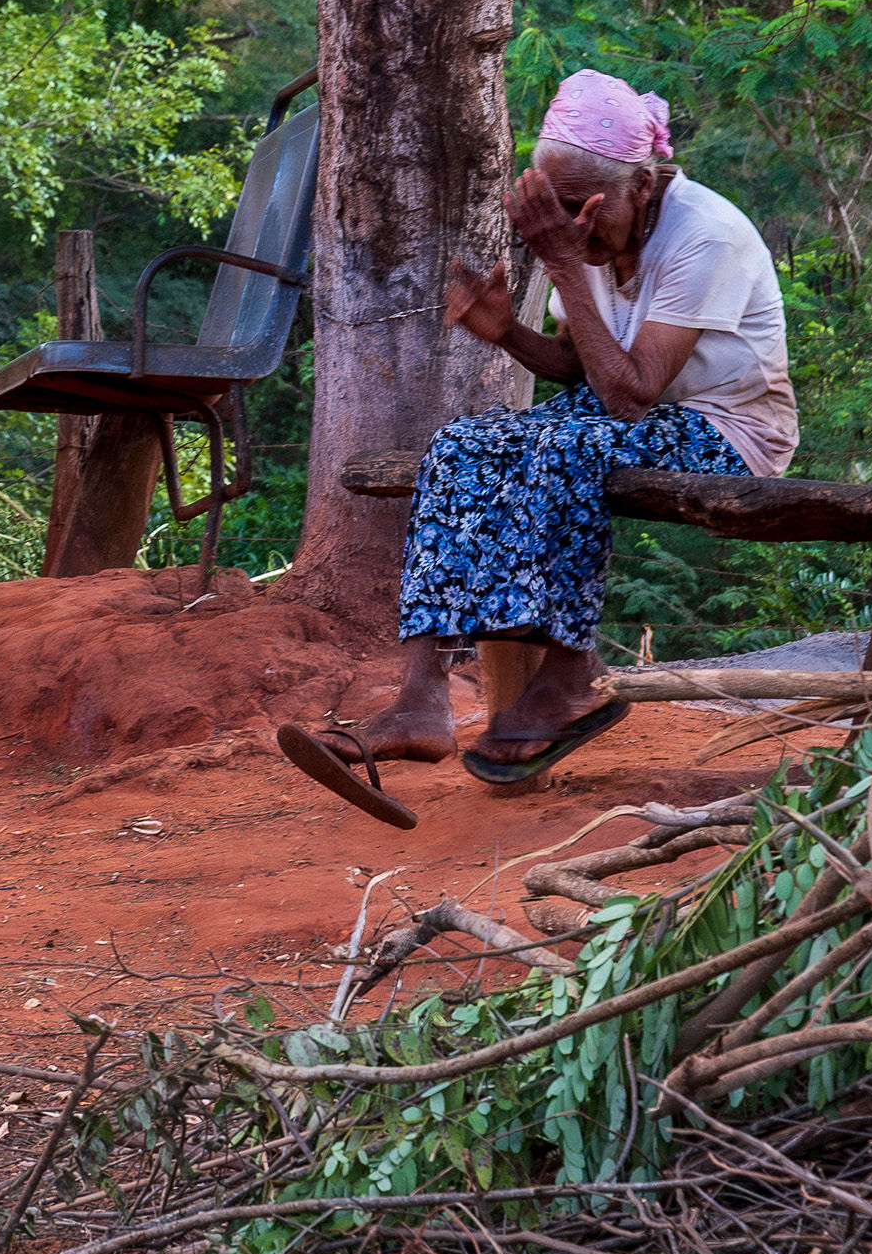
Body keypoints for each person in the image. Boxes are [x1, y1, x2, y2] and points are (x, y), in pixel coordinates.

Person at [281, 70, 797, 824]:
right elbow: (579, 366)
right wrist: (508, 332)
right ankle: (422, 698)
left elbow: (629, 393)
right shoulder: (592, 237)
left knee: (565, 447)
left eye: (588, 212)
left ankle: (571, 670)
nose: (576, 229)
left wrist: (559, 261)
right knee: (460, 442)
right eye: (558, 213)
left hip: (729, 432)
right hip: (625, 416)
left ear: (645, 186)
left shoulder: (705, 235)